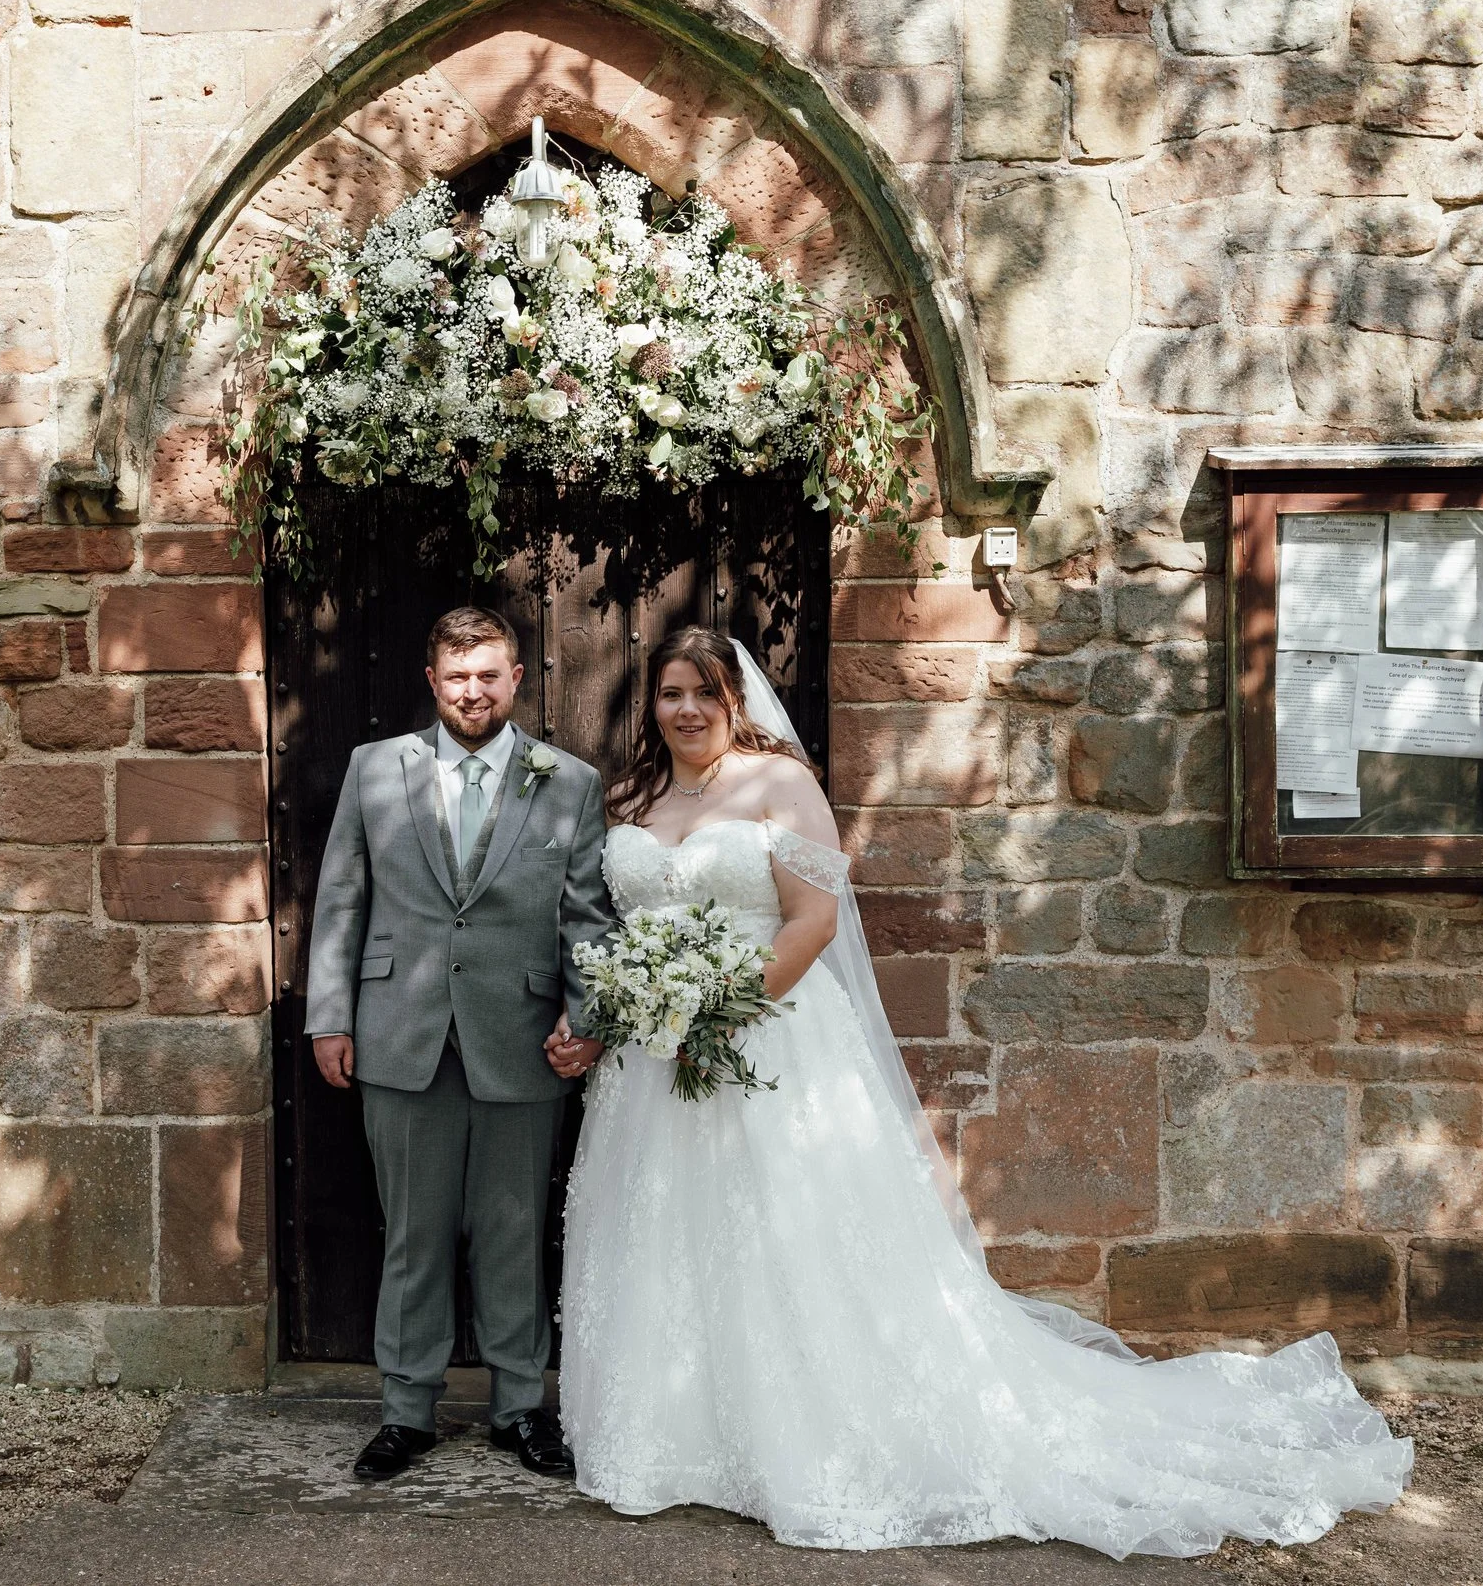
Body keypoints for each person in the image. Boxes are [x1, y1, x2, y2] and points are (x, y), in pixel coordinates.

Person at [546, 627, 1414, 1557]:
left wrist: (718, 1011)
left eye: (702, 694)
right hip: (651, 1066)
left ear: (735, 700)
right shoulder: (632, 793)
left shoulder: (783, 785)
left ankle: (796, 1439)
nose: (684, 710)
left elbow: (811, 921)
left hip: (766, 1044)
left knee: (783, 1243)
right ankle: (683, 1441)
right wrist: (619, 1014)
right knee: (673, 1237)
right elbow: (623, 931)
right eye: (670, 693)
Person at [304, 606, 614, 1483]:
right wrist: (330, 1014)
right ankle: (407, 1412)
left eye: (489, 674)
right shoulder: (374, 769)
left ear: (517, 678)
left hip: (520, 1040)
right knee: (415, 1234)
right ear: (431, 681)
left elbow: (588, 915)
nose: (472, 690)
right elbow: (340, 901)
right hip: (399, 1035)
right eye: (456, 675)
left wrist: (587, 1019)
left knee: (513, 1233)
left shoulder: (569, 782)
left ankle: (520, 1409)